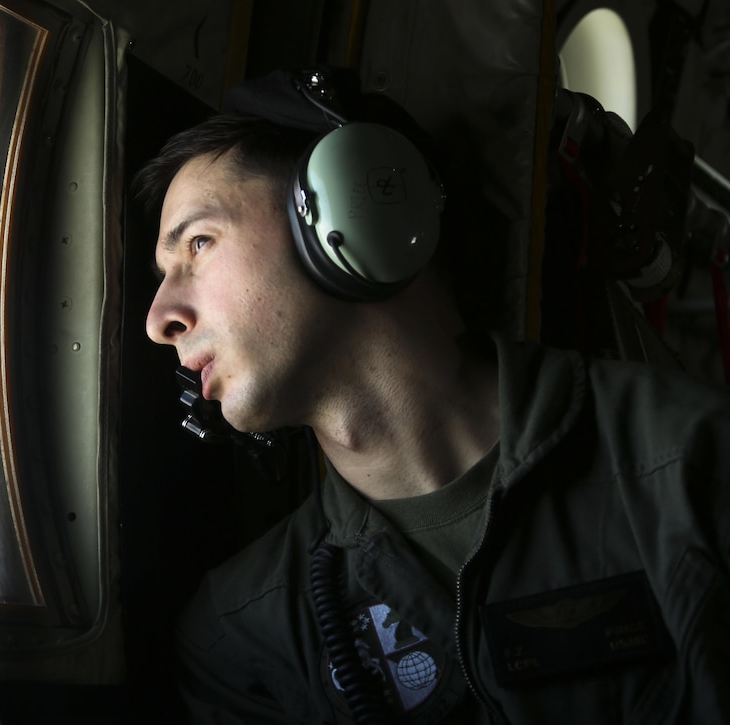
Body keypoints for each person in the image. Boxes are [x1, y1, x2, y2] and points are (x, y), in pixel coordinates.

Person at [134, 88, 730, 723]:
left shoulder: (692, 465)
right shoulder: (241, 638)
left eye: (197, 244)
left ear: (358, 203)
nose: (157, 320)